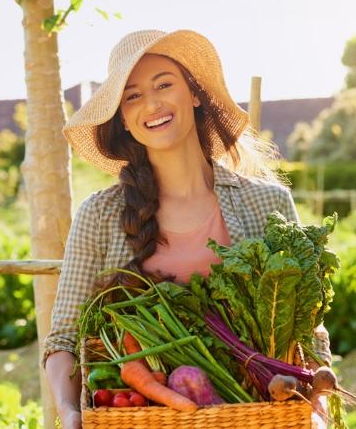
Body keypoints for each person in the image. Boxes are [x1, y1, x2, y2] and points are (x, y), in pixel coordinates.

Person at [41, 29, 332, 428]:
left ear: (194, 94)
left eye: (164, 84)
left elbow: (307, 329)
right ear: (124, 120)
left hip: (260, 415)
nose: (153, 102)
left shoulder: (266, 203)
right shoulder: (100, 215)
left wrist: (318, 408)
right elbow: (63, 339)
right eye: (133, 96)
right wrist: (69, 411)